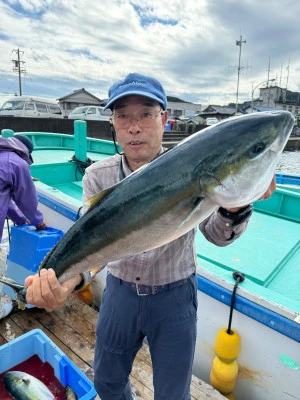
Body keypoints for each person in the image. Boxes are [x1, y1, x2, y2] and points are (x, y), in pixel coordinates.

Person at [25, 73, 276, 400]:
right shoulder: (97, 177)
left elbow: (218, 235)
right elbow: (93, 247)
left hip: (175, 296)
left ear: (164, 119)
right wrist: (63, 283)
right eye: (123, 116)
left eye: (146, 113)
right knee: (108, 382)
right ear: (113, 123)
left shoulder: (194, 166)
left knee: (174, 394)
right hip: (120, 293)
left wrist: (237, 205)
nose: (134, 126)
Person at [0, 134, 46, 319]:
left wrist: (19, 219)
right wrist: (37, 221)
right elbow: (27, 199)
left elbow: (4, 197)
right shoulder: (17, 164)